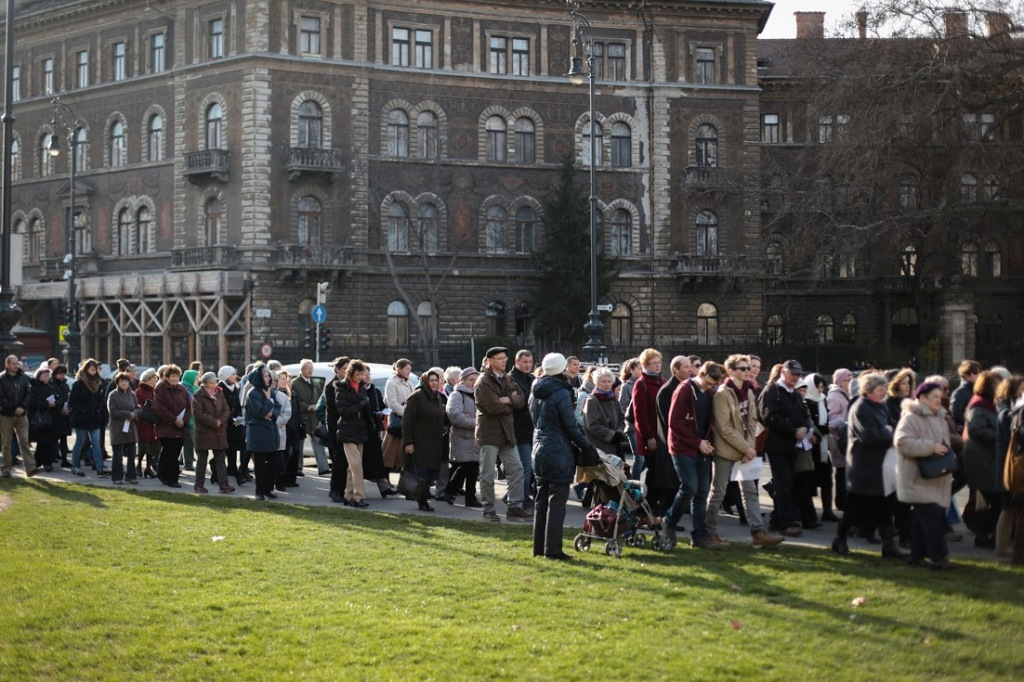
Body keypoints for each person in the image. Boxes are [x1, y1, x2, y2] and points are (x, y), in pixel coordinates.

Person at [708, 355, 784, 548]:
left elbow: (752, 422)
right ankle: (709, 532)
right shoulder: (722, 394)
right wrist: (745, 448)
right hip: (726, 451)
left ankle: (758, 533)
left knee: (750, 491)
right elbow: (724, 428)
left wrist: (749, 448)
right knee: (718, 492)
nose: (747, 371)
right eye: (743, 368)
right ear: (731, 371)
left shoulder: (749, 391)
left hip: (745, 451)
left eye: (748, 368)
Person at [530, 353, 597, 560]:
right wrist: (587, 447)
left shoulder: (535, 389)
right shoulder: (560, 392)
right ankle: (553, 549)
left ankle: (539, 547)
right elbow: (570, 426)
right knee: (557, 502)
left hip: (539, 447)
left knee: (541, 500)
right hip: (557, 449)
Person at [831, 373, 904, 558]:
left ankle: (888, 545)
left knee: (884, 507)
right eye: (879, 389)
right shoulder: (860, 408)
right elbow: (870, 436)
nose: (883, 392)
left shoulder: (882, 406)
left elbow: (893, 427)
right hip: (863, 466)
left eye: (884, 389)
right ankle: (840, 539)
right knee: (853, 507)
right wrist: (889, 434)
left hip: (881, 465)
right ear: (868, 390)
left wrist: (889, 432)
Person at [664, 361, 726, 550]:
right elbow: (674, 422)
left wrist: (707, 443)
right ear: (701, 374)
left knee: (702, 492)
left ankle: (699, 536)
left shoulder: (710, 392)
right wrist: (697, 442)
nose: (710, 387)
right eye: (709, 383)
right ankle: (669, 521)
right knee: (690, 487)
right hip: (682, 448)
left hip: (702, 448)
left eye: (714, 384)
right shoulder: (684, 390)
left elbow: (710, 422)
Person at [894, 381, 955, 569]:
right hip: (917, 478)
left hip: (935, 476)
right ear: (922, 398)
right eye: (935, 397)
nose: (939, 400)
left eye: (940, 397)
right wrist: (931, 447)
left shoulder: (940, 417)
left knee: (923, 521)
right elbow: (902, 443)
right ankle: (939, 558)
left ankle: (917, 557)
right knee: (932, 519)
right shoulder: (911, 417)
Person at [759, 359, 815, 536]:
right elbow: (770, 417)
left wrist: (804, 427)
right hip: (777, 445)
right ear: (783, 372)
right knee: (783, 484)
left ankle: (778, 519)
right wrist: (793, 431)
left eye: (798, 374)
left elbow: (804, 414)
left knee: (788, 483)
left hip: (792, 445)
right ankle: (785, 523)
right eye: (793, 373)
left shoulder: (793, 393)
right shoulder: (772, 391)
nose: (795, 377)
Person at [474, 347, 530, 522]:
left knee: (517, 469)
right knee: (488, 474)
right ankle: (488, 510)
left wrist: (508, 400)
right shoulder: (483, 381)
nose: (504, 361)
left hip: (507, 432)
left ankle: (514, 506)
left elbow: (522, 400)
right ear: (490, 361)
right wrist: (510, 404)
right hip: (489, 433)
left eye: (505, 357)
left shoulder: (508, 378)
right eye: (500, 358)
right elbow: (493, 407)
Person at [962, 370, 1002, 548]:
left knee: (989, 500)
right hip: (980, 458)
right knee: (990, 499)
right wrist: (1001, 437)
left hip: (987, 457)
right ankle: (984, 535)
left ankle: (987, 534)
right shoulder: (978, 405)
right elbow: (977, 429)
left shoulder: (989, 405)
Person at [402, 369, 448, 512]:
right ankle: (422, 501)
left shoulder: (437, 397)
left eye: (436, 380)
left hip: (434, 443)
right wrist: (408, 442)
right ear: (425, 382)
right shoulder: (417, 397)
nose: (434, 383)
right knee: (420, 474)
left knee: (429, 474)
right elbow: (407, 421)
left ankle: (421, 498)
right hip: (420, 443)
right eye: (431, 380)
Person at [442, 367, 482, 507]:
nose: (474, 383)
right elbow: (455, 416)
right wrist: (477, 423)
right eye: (471, 380)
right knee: (465, 466)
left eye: (476, 380)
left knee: (473, 468)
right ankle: (450, 490)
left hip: (475, 438)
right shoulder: (457, 395)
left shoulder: (479, 395)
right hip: (463, 437)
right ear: (463, 380)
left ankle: (470, 497)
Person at [335, 360, 373, 507]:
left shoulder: (362, 387)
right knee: (356, 464)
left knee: (353, 466)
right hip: (347, 429)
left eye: (362, 374)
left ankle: (348, 495)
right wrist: (359, 405)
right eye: (358, 374)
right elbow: (342, 411)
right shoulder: (342, 388)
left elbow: (365, 410)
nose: (360, 377)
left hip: (360, 429)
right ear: (351, 373)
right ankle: (358, 497)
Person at [994, 376, 1024, 560]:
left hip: (1009, 464)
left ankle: (1004, 546)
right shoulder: (1007, 412)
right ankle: (1002, 546)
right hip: (1009, 466)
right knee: (1008, 508)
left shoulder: (1008, 409)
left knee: (1010, 508)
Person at [192, 372, 234, 494]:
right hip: (204, 432)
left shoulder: (220, 393)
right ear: (205, 383)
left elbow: (226, 410)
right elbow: (198, 414)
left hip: (219, 431)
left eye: (215, 382)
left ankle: (223, 484)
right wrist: (214, 422)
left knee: (220, 458)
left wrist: (220, 421)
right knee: (202, 459)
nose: (214, 385)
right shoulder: (198, 395)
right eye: (211, 383)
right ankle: (199, 485)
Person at [244, 364, 280, 501]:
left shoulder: (270, 391)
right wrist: (269, 401)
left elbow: (277, 407)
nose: (269, 378)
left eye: (268, 375)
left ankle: (268, 489)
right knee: (259, 465)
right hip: (258, 435)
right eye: (265, 376)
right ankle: (259, 491)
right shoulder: (253, 393)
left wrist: (270, 413)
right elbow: (260, 412)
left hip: (271, 433)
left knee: (273, 464)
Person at [152, 365, 191, 488]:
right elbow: (160, 408)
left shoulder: (182, 389)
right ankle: (172, 479)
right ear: (167, 377)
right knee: (171, 453)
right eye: (173, 376)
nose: (175, 378)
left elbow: (189, 406)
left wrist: (184, 420)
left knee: (171, 452)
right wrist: (174, 420)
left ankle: (161, 474)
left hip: (181, 427)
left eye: (177, 376)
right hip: (166, 427)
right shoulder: (160, 388)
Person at [69, 359, 107, 477]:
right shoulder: (78, 384)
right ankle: (75, 466)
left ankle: (99, 467)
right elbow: (72, 402)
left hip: (94, 417)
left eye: (95, 370)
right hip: (82, 418)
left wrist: (98, 409)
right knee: (80, 442)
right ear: (86, 369)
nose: (94, 372)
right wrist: (83, 410)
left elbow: (100, 400)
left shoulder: (98, 382)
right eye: (91, 369)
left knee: (96, 443)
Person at [291, 359, 329, 476]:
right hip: (302, 417)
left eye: (311, 368)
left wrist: (318, 407)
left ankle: (323, 467)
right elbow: (294, 401)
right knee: (300, 444)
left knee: (318, 441)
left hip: (314, 417)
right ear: (302, 369)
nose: (310, 370)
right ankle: (298, 469)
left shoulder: (315, 383)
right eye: (307, 368)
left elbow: (320, 398)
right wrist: (307, 407)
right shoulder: (295, 383)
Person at [509, 350, 536, 510]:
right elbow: (519, 402)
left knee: (528, 465)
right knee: (525, 465)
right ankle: (523, 498)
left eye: (530, 362)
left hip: (531, 427)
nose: (527, 365)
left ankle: (514, 494)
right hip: (518, 428)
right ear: (517, 361)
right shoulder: (510, 379)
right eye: (524, 362)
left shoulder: (531, 378)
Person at [582, 367, 626, 459]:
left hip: (615, 445)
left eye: (609, 381)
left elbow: (621, 417)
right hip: (599, 447)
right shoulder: (592, 400)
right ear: (597, 383)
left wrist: (619, 432)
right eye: (603, 381)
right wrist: (611, 435)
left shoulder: (614, 399)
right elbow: (592, 425)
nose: (607, 384)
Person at [826, 368, 853, 513]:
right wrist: (846, 416)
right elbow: (830, 419)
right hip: (838, 438)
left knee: (845, 470)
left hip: (845, 438)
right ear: (840, 381)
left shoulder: (845, 394)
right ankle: (840, 501)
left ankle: (843, 500)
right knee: (841, 471)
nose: (850, 382)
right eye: (847, 380)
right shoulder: (834, 396)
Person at [382, 358, 414, 480]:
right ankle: (385, 480)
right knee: (390, 453)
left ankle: (403, 481)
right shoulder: (392, 382)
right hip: (397, 420)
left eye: (410, 369)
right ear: (399, 369)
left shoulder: (410, 383)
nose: (408, 371)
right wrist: (407, 413)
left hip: (408, 422)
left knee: (403, 455)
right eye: (406, 369)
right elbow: (392, 403)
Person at [106, 371, 140, 484]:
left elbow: (138, 407)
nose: (124, 383)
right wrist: (128, 414)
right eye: (121, 381)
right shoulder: (113, 395)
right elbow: (113, 412)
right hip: (118, 428)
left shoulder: (132, 394)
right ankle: (117, 477)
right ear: (117, 383)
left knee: (131, 454)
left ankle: (131, 475)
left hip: (130, 427)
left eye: (126, 381)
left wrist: (134, 414)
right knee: (118, 455)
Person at [323, 357, 349, 503]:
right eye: (344, 368)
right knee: (339, 460)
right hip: (336, 429)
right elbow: (334, 411)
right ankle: (335, 490)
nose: (347, 371)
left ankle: (344, 489)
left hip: (348, 428)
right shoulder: (331, 387)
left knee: (346, 461)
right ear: (338, 369)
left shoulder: (349, 384)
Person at [217, 366, 247, 486]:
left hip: (235, 424)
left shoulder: (235, 388)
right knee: (227, 450)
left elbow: (238, 406)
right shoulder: (220, 389)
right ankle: (236, 475)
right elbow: (221, 408)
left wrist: (239, 417)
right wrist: (230, 419)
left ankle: (234, 471)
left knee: (236, 448)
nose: (235, 376)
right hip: (225, 424)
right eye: (233, 374)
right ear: (226, 375)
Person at [27, 364, 60, 472]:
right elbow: (31, 403)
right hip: (39, 418)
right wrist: (46, 404)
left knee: (49, 442)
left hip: (51, 418)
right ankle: (40, 462)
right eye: (44, 375)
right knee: (42, 442)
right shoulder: (33, 388)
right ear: (39, 376)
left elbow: (57, 399)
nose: (46, 377)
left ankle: (47, 462)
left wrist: (56, 404)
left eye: (47, 375)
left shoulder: (51, 387)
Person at [269, 370, 292, 494]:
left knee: (279, 460)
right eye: (271, 380)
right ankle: (268, 485)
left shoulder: (282, 396)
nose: (273, 383)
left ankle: (278, 481)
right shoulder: (261, 395)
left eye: (275, 381)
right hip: (266, 433)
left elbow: (287, 412)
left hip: (279, 431)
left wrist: (276, 422)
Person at [618, 358, 642, 477]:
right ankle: (633, 484)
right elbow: (622, 407)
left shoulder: (643, 383)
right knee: (639, 458)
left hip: (643, 426)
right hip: (632, 426)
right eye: (639, 368)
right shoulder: (626, 386)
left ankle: (631, 478)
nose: (642, 371)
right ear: (631, 370)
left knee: (645, 458)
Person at [134, 369, 159, 479]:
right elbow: (138, 406)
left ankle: (148, 468)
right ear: (148, 379)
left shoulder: (154, 391)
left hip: (153, 423)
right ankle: (138, 466)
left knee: (152, 445)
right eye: (154, 378)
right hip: (143, 423)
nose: (156, 380)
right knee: (143, 445)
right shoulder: (139, 392)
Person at [951, 360, 981, 432]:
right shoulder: (961, 392)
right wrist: (971, 423)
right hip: (964, 430)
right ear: (966, 375)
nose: (979, 375)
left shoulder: (974, 390)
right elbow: (956, 413)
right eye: (976, 373)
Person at [51, 365, 72, 467]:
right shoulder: (51, 385)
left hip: (64, 415)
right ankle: (52, 457)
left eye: (64, 374)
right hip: (55, 415)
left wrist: (68, 409)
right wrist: (59, 409)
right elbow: (52, 399)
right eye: (60, 374)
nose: (62, 376)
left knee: (64, 439)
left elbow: (68, 398)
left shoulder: (65, 385)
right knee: (53, 439)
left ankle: (64, 459)